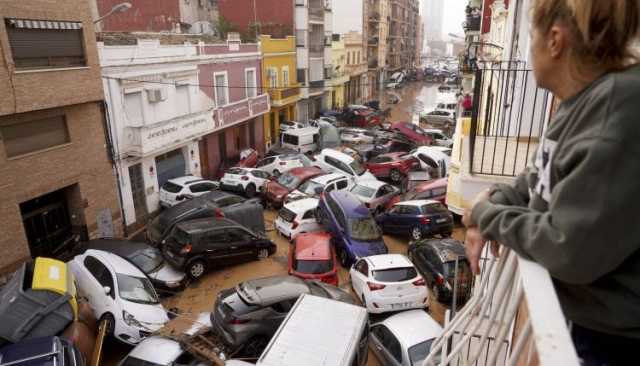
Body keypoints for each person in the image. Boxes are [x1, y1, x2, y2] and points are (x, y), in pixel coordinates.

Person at [461, 1, 640, 365]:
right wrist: (497, 198)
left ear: (555, 41)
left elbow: (568, 248)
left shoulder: (615, 109)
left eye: (531, 36)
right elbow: (536, 177)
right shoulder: (582, 102)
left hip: (615, 344)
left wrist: (486, 214)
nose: (529, 48)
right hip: (590, 324)